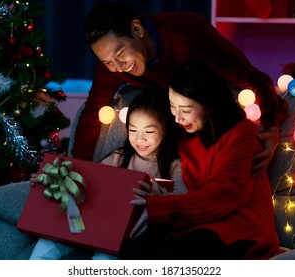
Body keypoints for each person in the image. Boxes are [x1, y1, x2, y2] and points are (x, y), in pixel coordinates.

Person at [72, 0, 288, 175]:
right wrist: (77, 171)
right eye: (107, 61)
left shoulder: (187, 35)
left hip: (215, 125)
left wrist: (272, 128)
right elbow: (92, 113)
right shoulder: (112, 67)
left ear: (137, 29)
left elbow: (255, 79)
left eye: (120, 54)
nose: (118, 68)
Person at [123, 61, 280, 260]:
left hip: (241, 225)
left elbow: (225, 194)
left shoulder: (242, 132)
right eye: (173, 106)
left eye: (186, 110)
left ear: (209, 105)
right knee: (137, 249)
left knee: (174, 256)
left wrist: (164, 206)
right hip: (196, 220)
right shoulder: (183, 133)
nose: (178, 118)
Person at [29, 88, 187, 260]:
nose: (140, 139)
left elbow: (182, 197)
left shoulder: (174, 166)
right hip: (92, 223)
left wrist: (160, 198)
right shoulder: (118, 158)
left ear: (166, 130)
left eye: (149, 132)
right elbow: (89, 179)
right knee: (47, 243)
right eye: (133, 131)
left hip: (124, 236)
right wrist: (50, 178)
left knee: (104, 259)